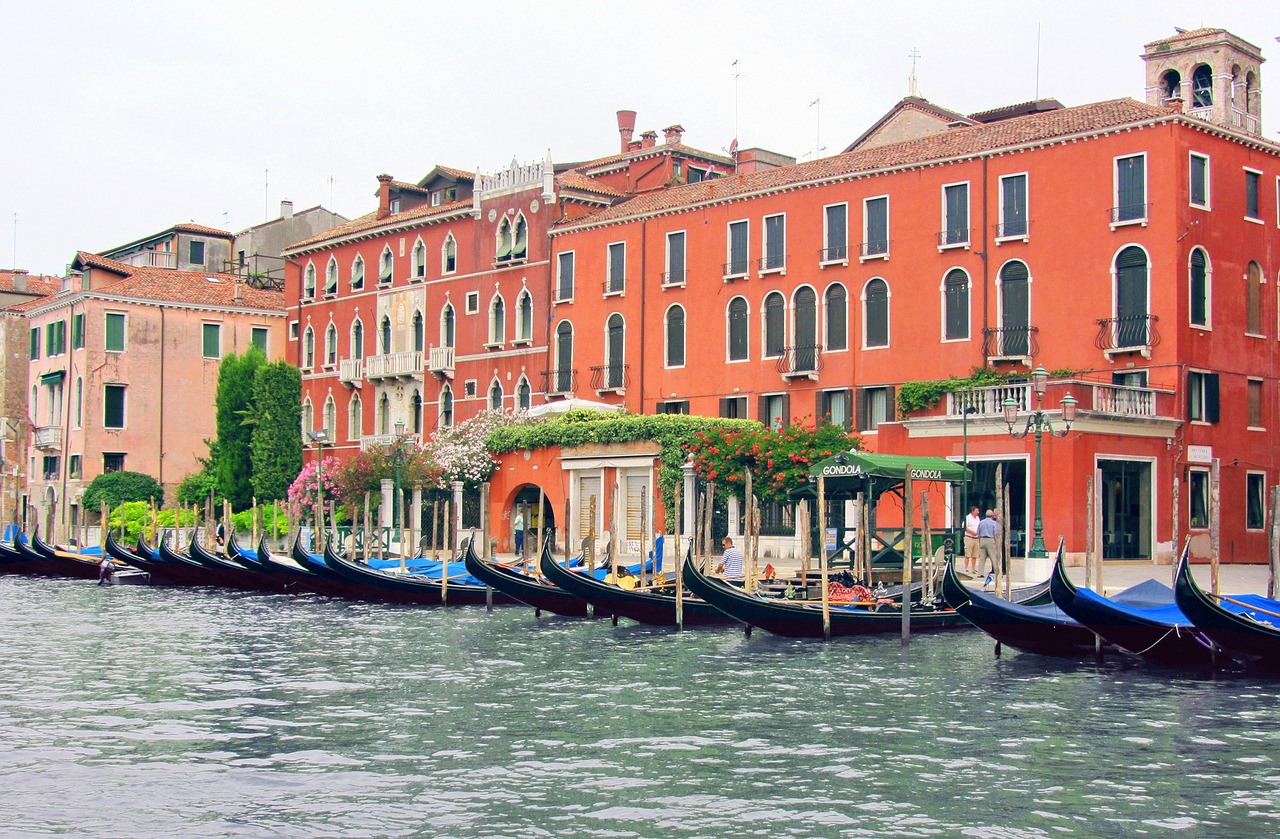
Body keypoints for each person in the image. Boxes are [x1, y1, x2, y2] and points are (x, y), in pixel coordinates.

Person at [976, 509, 999, 589]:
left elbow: (978, 533)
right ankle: (997, 572)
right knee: (993, 557)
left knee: (982, 558)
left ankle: (980, 573)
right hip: (990, 540)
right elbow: (995, 534)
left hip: (982, 539)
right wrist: (996, 543)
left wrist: (980, 540)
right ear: (992, 515)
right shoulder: (994, 523)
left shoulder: (981, 522)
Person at [963, 506, 982, 576]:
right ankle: (966, 568)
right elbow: (964, 527)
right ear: (972, 511)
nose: (978, 512)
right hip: (969, 537)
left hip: (976, 538)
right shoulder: (967, 518)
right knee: (967, 553)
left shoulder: (978, 518)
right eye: (977, 511)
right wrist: (972, 532)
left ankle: (973, 569)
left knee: (975, 554)